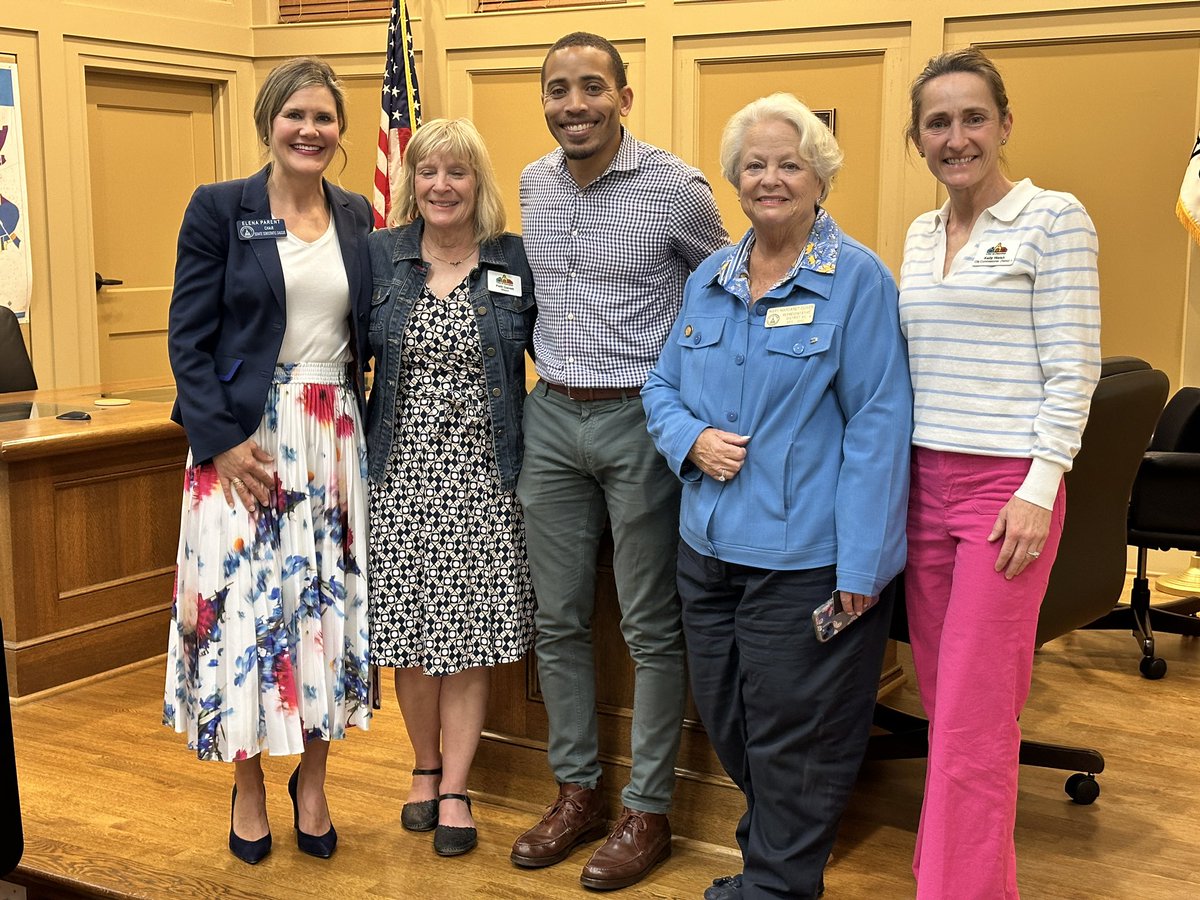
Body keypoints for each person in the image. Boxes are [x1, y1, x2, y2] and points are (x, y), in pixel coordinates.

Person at [643, 92, 912, 900]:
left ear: (819, 176)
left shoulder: (856, 280)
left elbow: (877, 425)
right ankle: (779, 854)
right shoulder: (713, 277)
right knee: (730, 723)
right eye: (753, 165)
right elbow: (662, 385)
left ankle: (777, 884)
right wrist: (689, 438)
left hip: (806, 559)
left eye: (788, 163)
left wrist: (863, 566)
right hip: (708, 550)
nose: (770, 178)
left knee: (795, 737)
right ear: (733, 180)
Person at [509, 31, 728, 891]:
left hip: (645, 417)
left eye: (592, 87)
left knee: (647, 623)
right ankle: (578, 792)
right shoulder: (531, 183)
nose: (574, 104)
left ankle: (648, 809)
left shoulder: (675, 186)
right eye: (558, 89)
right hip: (552, 416)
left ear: (624, 98)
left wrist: (695, 406)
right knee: (557, 620)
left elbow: (723, 290)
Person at [900, 49, 1101, 899]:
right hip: (921, 486)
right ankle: (962, 874)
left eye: (973, 117)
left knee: (977, 721)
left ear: (1005, 123)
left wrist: (1038, 486)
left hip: (1003, 495)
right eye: (937, 123)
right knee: (948, 707)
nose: (957, 138)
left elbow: (1075, 368)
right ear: (918, 140)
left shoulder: (1055, 218)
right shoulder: (916, 233)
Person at [162, 57, 373, 864]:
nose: (310, 130)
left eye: (324, 118)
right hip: (240, 441)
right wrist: (218, 441)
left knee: (321, 612)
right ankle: (248, 785)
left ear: (339, 131)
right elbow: (187, 336)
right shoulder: (220, 209)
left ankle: (311, 780)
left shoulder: (357, 216)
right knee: (244, 614)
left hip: (334, 438)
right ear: (268, 123)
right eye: (296, 116)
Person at [366, 117, 536, 858]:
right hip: (398, 476)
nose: (442, 185)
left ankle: (459, 785)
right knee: (410, 637)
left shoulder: (514, 260)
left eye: (457, 172)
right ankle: (424, 768)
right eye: (428, 171)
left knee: (467, 642)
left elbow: (559, 349)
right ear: (412, 181)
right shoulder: (380, 257)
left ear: (478, 183)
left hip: (485, 477)